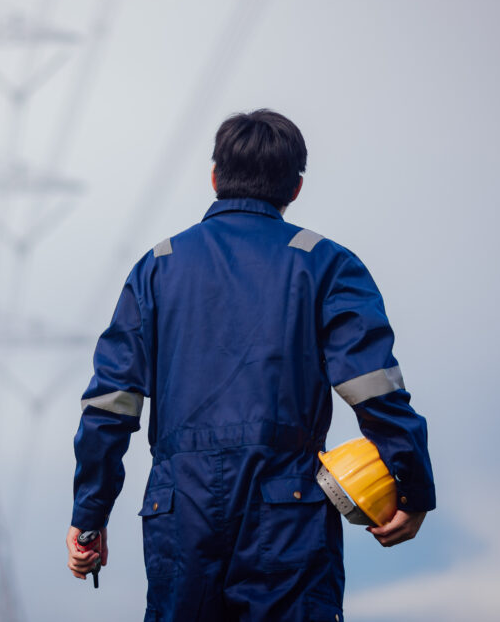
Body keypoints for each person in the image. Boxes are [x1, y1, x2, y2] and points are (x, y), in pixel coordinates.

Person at [65, 109, 435, 621]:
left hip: (179, 508)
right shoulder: (325, 263)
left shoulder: (157, 267)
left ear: (214, 177)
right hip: (290, 506)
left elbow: (110, 406)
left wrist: (90, 515)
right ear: (296, 188)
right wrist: (411, 485)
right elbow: (374, 389)